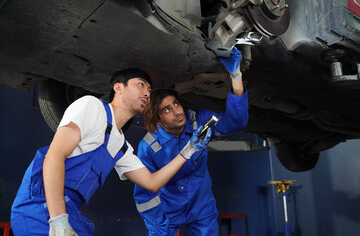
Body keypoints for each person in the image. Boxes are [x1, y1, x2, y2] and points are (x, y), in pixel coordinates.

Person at [10, 68, 212, 236]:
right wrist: (58, 219)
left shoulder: (120, 145)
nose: (147, 93)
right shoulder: (92, 106)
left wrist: (188, 150)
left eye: (149, 90)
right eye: (141, 85)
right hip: (42, 205)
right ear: (118, 88)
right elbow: (54, 156)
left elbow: (152, 183)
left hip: (69, 211)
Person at [133, 47, 249, 235]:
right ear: (157, 120)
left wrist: (236, 75)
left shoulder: (198, 121)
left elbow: (235, 122)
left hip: (201, 208)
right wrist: (158, 228)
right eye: (167, 110)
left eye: (176, 104)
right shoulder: (148, 147)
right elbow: (144, 196)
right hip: (167, 211)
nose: (177, 111)